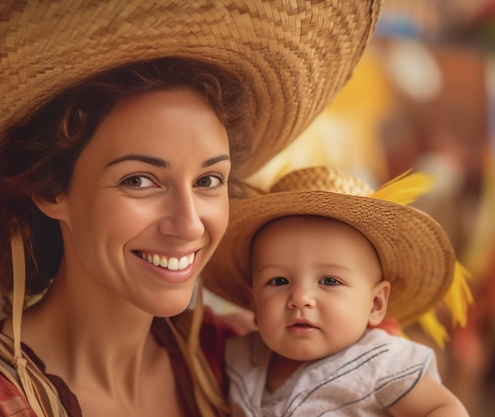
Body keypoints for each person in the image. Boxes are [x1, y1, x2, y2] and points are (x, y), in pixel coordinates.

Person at [0, 1, 384, 416]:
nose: (189, 223)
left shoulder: (235, 360)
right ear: (50, 188)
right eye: (140, 180)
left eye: (209, 180)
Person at [202, 166, 472, 416]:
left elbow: (443, 407)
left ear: (376, 304)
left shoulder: (380, 362)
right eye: (279, 281)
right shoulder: (239, 357)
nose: (300, 298)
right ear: (254, 304)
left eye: (329, 281)